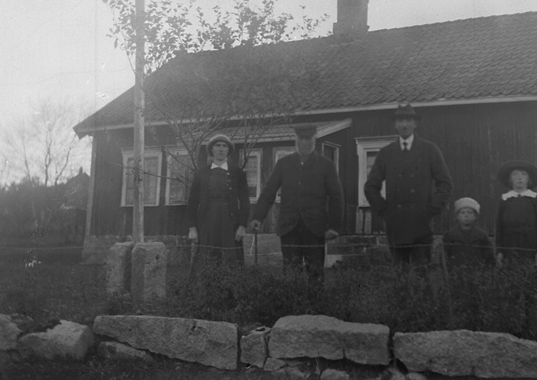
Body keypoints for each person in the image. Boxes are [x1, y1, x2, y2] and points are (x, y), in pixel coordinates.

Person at [248, 124, 343, 283]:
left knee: (316, 275)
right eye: (301, 138)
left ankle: (316, 300)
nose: (304, 142)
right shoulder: (283, 164)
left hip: (315, 229)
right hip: (289, 228)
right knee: (291, 274)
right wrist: (258, 217)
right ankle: (291, 299)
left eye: (308, 138)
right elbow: (269, 191)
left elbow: (336, 197)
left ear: (314, 139)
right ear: (296, 139)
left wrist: (334, 226)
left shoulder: (326, 165)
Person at [364, 104, 453, 265]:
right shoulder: (386, 153)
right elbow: (370, 187)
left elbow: (445, 183)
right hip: (396, 225)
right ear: (395, 124)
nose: (404, 125)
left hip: (421, 224)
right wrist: (386, 211)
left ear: (415, 124)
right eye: (400, 121)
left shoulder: (429, 150)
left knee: (422, 272)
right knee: (399, 273)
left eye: (408, 120)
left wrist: (430, 210)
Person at [187, 133, 251, 268]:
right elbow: (192, 202)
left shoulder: (238, 173)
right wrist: (192, 228)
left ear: (228, 150)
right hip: (207, 222)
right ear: (212, 149)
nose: (221, 149)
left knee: (230, 260)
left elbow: (245, 201)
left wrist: (242, 226)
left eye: (224, 146)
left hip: (230, 222)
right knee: (206, 259)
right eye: (217, 145)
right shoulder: (201, 173)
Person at [494, 160, 537, 272]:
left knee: (531, 275)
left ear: (529, 179)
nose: (519, 177)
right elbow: (499, 227)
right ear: (510, 179)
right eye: (515, 174)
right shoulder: (505, 199)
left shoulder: (534, 199)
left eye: (523, 174)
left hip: (530, 245)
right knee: (510, 275)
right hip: (509, 245)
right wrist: (499, 251)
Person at [443, 197, 495, 268]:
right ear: (457, 216)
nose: (466, 215)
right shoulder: (450, 235)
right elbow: (445, 256)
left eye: (470, 212)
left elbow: (489, 258)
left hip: (477, 271)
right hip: (455, 271)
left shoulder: (481, 235)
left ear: (475, 216)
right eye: (462, 212)